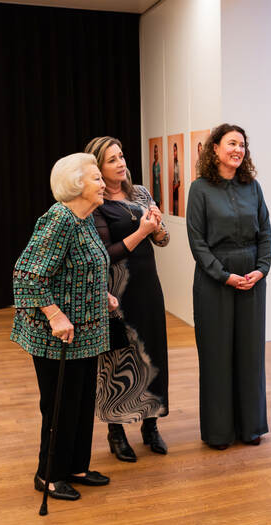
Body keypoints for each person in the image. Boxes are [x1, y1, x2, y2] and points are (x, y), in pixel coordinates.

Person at [11, 152, 117, 501]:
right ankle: (49, 474)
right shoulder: (59, 219)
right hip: (57, 336)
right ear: (76, 184)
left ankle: (75, 466)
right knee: (60, 402)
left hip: (87, 333)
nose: (104, 183)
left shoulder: (85, 218)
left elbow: (84, 265)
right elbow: (27, 276)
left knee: (82, 400)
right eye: (96, 178)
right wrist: (55, 315)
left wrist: (102, 294)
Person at [187, 123, 271, 450]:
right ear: (215, 149)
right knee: (217, 355)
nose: (238, 150)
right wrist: (223, 275)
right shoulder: (199, 189)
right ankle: (219, 432)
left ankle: (251, 427)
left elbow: (265, 232)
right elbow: (197, 242)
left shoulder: (253, 187)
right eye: (231, 143)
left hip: (251, 279)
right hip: (215, 281)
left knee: (251, 354)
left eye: (242, 145)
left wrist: (261, 269)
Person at [85, 136, 171, 461]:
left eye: (121, 156)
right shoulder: (95, 202)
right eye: (112, 159)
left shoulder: (140, 193)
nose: (121, 163)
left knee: (153, 354)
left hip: (148, 286)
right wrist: (143, 232)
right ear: (98, 166)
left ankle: (151, 426)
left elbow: (162, 240)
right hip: (116, 292)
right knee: (117, 361)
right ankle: (116, 432)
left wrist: (158, 229)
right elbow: (105, 254)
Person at [172, 142, 181, 216]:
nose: (174, 153)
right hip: (171, 189)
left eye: (175, 151)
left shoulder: (177, 164)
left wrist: (174, 188)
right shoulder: (172, 163)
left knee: (176, 207)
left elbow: (179, 182)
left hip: (175, 189)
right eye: (173, 151)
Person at [151, 143, 162, 207]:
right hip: (154, 193)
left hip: (158, 192)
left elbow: (160, 181)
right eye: (154, 152)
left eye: (156, 152)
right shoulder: (153, 165)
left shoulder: (159, 165)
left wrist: (161, 196)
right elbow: (153, 180)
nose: (155, 154)